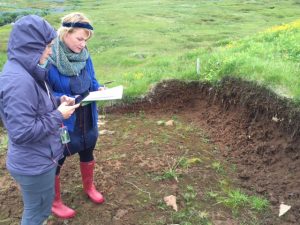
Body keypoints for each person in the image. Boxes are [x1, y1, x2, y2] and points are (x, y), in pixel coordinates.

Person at [0, 15, 79, 225]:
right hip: (34, 164)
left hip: (37, 158)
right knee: (37, 213)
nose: (51, 52)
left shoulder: (25, 70)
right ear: (33, 46)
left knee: (37, 208)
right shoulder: (19, 82)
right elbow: (22, 132)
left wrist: (56, 101)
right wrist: (59, 115)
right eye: (48, 46)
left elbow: (33, 105)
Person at [47, 12, 105, 219]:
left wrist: (100, 90)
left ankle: (89, 188)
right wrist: (60, 98)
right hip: (63, 121)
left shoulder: (85, 56)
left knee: (88, 150)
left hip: (87, 115)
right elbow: (43, 93)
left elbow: (93, 80)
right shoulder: (49, 59)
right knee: (57, 160)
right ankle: (54, 201)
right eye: (79, 38)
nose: (83, 44)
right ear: (65, 33)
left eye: (86, 40)